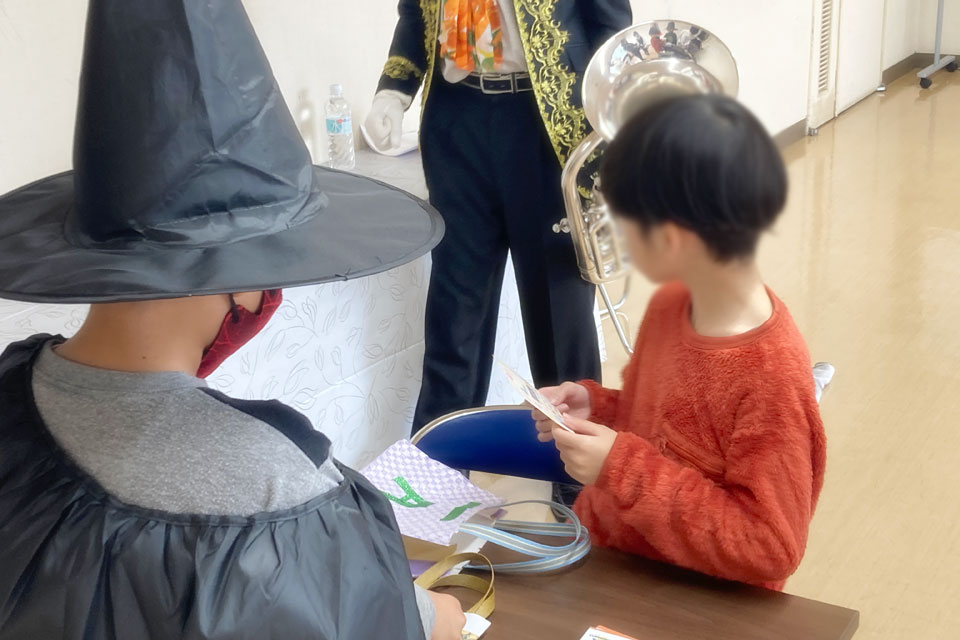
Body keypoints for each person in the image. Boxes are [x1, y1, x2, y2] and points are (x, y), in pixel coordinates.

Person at [0, 1, 462, 638]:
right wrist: (444, 614)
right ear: (242, 278)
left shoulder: (10, 389)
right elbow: (405, 621)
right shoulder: (276, 488)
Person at [531, 95, 828, 591]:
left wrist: (620, 467)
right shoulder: (671, 304)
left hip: (685, 599)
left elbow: (770, 547)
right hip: (611, 558)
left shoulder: (770, 376)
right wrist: (598, 407)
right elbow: (661, 423)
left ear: (671, 237)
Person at [365, 0, 632, 434]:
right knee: (455, 317)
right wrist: (393, 90)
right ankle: (439, 467)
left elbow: (610, 25)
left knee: (559, 316)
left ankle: (577, 469)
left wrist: (606, 122)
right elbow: (416, 13)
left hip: (546, 124)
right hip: (456, 120)